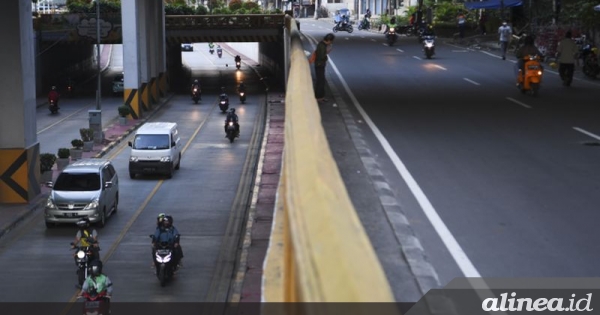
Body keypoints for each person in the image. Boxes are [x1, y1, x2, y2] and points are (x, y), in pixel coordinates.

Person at [314, 33, 335, 103]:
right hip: (319, 65)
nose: (331, 43)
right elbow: (322, 56)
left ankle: (321, 97)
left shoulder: (321, 44)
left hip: (319, 64)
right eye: (331, 41)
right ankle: (318, 97)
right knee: (320, 81)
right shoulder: (322, 46)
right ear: (329, 40)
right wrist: (327, 52)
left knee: (322, 81)